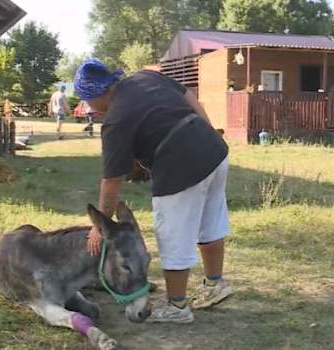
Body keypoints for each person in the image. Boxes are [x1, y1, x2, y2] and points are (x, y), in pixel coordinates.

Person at [74, 59, 233, 324]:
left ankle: (176, 306)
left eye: (88, 101)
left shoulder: (115, 121)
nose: (91, 109)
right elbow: (187, 94)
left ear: (97, 94)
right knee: (211, 222)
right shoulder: (146, 78)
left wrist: (100, 224)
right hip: (214, 150)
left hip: (180, 164)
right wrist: (208, 130)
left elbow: (112, 182)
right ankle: (214, 285)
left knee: (172, 233)